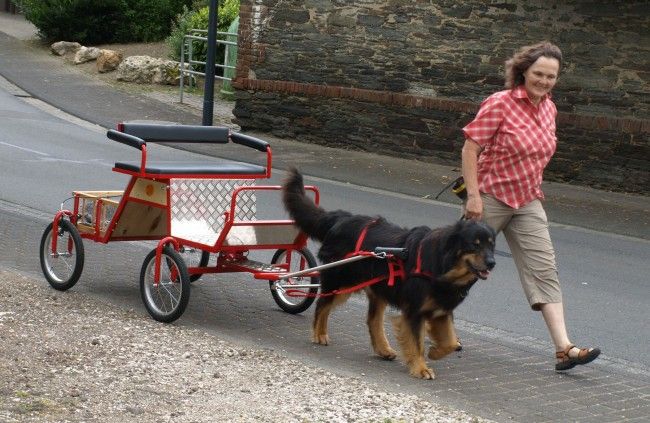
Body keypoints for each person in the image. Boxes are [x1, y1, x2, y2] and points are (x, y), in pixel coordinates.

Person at [460, 41, 600, 371]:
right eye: (539, 73)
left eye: (551, 76)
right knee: (462, 266)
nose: (544, 81)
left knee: (544, 269)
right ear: (523, 71)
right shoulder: (500, 103)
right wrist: (474, 196)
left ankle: (565, 348)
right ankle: (429, 320)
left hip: (528, 199)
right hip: (490, 196)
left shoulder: (549, 108)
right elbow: (470, 149)